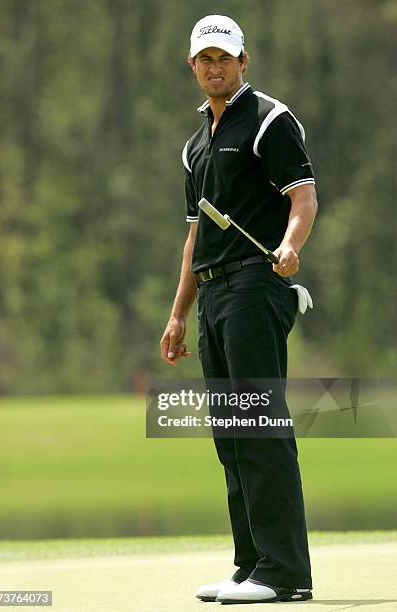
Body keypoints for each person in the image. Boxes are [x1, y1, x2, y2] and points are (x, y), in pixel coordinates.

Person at [160, 14, 318, 605]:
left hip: (257, 287)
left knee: (259, 426)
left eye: (224, 58)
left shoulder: (269, 120)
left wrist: (290, 245)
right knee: (231, 433)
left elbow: (302, 197)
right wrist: (178, 314)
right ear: (193, 65)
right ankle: (251, 565)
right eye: (205, 58)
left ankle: (285, 573)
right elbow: (195, 238)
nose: (215, 67)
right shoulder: (195, 145)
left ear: (243, 62)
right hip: (214, 294)